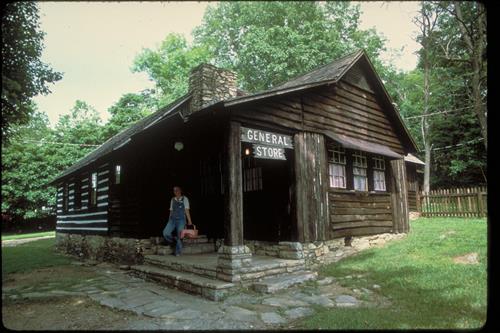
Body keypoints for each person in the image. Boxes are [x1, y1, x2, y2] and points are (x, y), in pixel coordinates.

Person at [162, 186, 193, 256]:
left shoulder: (185, 199)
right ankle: (175, 241)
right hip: (172, 220)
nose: (176, 192)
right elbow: (171, 211)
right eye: (174, 191)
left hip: (181, 220)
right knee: (165, 233)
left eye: (177, 190)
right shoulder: (172, 199)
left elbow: (187, 210)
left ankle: (178, 252)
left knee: (180, 235)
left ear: (180, 190)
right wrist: (169, 220)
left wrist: (189, 221)